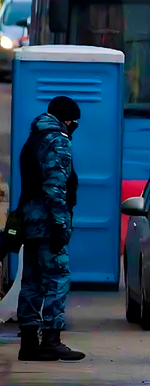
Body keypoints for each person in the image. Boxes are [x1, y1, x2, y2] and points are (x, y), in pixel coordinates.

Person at [17, 96, 85, 362]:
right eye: (74, 121)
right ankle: (51, 339)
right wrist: (60, 225)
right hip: (48, 223)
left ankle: (30, 342)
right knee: (57, 279)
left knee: (32, 282)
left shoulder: (33, 137)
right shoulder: (58, 140)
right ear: (67, 119)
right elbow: (55, 188)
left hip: (30, 223)